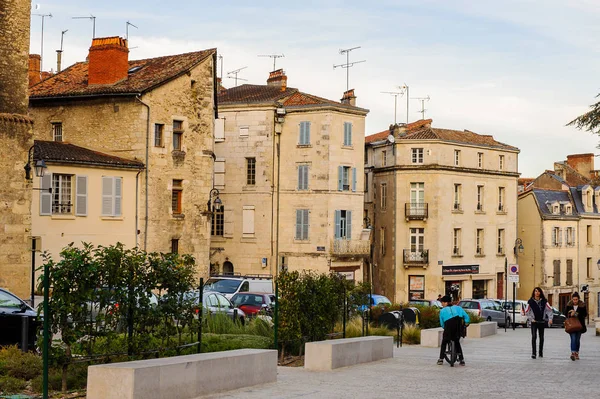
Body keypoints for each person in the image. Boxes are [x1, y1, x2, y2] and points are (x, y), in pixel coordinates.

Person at [437, 295, 470, 366]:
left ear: (446, 303)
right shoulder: (459, 308)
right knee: (457, 342)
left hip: (448, 327)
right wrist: (467, 323)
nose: (442, 304)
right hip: (458, 327)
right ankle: (462, 360)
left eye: (442, 302)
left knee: (444, 341)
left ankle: (441, 359)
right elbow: (467, 317)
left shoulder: (442, 311)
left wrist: (445, 328)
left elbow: (442, 323)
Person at [524, 287, 553, 359]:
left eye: (538, 291)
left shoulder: (544, 301)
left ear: (540, 293)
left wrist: (550, 318)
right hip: (534, 322)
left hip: (541, 321)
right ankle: (533, 353)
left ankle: (540, 352)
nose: (537, 293)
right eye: (535, 291)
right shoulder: (530, 301)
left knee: (541, 337)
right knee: (534, 337)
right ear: (534, 292)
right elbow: (526, 311)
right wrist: (531, 318)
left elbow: (549, 310)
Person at [564, 292, 587, 361]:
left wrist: (576, 313)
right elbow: (565, 313)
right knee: (573, 338)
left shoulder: (582, 305)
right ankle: (573, 353)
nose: (575, 301)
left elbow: (585, 314)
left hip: (579, 325)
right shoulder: (569, 305)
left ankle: (577, 352)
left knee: (577, 340)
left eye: (576, 299)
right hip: (571, 325)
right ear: (572, 299)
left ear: (578, 299)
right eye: (574, 299)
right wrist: (571, 314)